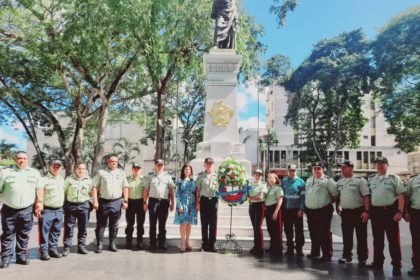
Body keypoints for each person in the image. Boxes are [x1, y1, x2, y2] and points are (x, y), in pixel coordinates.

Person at [0, 151, 43, 269]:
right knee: (8, 234)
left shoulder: (34, 173)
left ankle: (21, 256)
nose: (21, 160)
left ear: (27, 160)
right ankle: (6, 258)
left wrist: (39, 202)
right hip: (9, 209)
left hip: (27, 209)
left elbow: (39, 188)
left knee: (23, 234)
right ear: (15, 159)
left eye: (24, 158)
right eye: (19, 158)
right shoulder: (6, 172)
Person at [367, 157, 405, 276]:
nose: (379, 166)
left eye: (382, 163)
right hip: (375, 213)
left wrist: (400, 212)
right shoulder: (371, 179)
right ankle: (378, 262)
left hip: (390, 212)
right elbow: (367, 196)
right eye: (377, 164)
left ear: (387, 165)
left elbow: (401, 196)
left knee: (393, 240)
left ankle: (397, 265)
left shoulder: (394, 178)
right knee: (377, 240)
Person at [335, 160, 370, 267]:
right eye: (341, 167)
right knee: (346, 236)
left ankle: (362, 258)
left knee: (361, 236)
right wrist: (337, 206)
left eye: (344, 167)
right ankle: (346, 255)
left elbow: (366, 196)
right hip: (346, 213)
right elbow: (338, 196)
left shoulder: (360, 180)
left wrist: (366, 211)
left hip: (358, 211)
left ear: (351, 168)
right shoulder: (340, 181)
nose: (341, 169)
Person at [92, 155, 129, 253]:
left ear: (117, 163)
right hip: (103, 202)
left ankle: (112, 244)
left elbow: (125, 187)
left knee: (114, 225)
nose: (113, 163)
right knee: (101, 224)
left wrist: (125, 201)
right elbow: (95, 187)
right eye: (111, 161)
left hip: (116, 202)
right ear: (108, 163)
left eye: (115, 162)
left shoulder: (121, 173)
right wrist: (95, 201)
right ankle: (99, 244)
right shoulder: (101, 173)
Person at [305, 161, 338, 262]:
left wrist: (325, 202)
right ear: (312, 170)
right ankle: (315, 252)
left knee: (324, 233)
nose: (316, 170)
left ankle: (327, 253)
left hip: (323, 210)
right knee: (313, 232)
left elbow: (335, 195)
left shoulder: (328, 181)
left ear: (322, 169)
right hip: (310, 211)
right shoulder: (309, 180)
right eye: (315, 168)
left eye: (319, 168)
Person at [143, 159, 175, 251]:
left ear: (163, 166)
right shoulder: (150, 177)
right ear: (155, 166)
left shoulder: (168, 177)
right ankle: (152, 243)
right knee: (152, 224)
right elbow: (146, 190)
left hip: (164, 202)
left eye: (161, 165)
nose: (160, 167)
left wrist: (172, 203)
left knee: (162, 224)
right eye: (158, 165)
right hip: (153, 202)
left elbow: (171, 191)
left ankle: (162, 243)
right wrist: (145, 203)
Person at [62, 162, 93, 256]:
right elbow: (64, 192)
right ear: (75, 169)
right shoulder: (69, 179)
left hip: (84, 206)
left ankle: (81, 246)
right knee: (68, 227)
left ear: (85, 170)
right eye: (79, 168)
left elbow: (91, 193)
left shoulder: (89, 180)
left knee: (83, 228)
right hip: (71, 206)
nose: (81, 170)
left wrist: (91, 203)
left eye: (83, 169)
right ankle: (67, 247)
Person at [38, 160, 66, 261]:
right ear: (50, 167)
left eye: (58, 167)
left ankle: (53, 249)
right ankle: (44, 252)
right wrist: (38, 204)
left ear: (61, 168)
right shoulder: (43, 180)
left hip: (59, 210)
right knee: (44, 232)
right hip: (47, 210)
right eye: (54, 166)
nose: (56, 168)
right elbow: (39, 193)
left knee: (56, 231)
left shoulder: (62, 179)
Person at [282, 164, 305, 256]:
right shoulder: (283, 181)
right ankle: (290, 247)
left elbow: (303, 197)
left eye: (293, 170)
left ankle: (299, 248)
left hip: (297, 210)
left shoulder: (301, 182)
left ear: (296, 171)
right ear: (288, 171)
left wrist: (301, 209)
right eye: (290, 170)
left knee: (299, 230)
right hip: (286, 210)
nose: (292, 172)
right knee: (288, 230)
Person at [196, 157, 219, 252]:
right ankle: (204, 244)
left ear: (213, 165)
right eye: (208, 163)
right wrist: (197, 203)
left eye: (211, 164)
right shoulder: (201, 176)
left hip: (213, 201)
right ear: (205, 164)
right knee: (204, 224)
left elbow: (221, 188)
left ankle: (212, 244)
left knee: (213, 224)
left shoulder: (217, 176)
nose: (209, 165)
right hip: (204, 201)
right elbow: (198, 190)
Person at [174, 164, 197, 252]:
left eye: (189, 169)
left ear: (191, 171)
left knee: (189, 224)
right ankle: (182, 243)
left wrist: (196, 204)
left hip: (191, 204)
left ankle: (187, 242)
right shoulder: (179, 181)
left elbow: (195, 193)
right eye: (186, 169)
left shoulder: (193, 181)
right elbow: (177, 194)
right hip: (183, 203)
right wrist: (179, 205)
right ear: (183, 171)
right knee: (183, 223)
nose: (187, 171)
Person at [125, 163, 146, 250]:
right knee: (130, 224)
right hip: (130, 202)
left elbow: (146, 192)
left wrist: (145, 203)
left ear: (140, 170)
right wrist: (125, 201)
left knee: (140, 224)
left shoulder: (144, 180)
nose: (136, 170)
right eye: (135, 168)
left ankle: (139, 242)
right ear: (132, 169)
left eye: (138, 168)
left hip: (140, 202)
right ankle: (128, 242)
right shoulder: (127, 179)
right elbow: (125, 191)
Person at [248, 169, 267, 256]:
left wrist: (251, 198)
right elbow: (247, 195)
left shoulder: (263, 185)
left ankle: (260, 247)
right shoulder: (250, 184)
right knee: (254, 227)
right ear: (253, 175)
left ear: (261, 176)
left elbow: (260, 197)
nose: (257, 176)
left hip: (259, 207)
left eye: (259, 175)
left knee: (258, 227)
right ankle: (256, 246)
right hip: (252, 207)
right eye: (256, 174)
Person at [264, 172, 284, 256]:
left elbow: (280, 200)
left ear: (276, 179)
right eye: (269, 178)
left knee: (277, 230)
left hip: (275, 209)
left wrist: (276, 212)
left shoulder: (278, 188)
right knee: (270, 229)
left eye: (272, 178)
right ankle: (273, 246)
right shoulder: (267, 188)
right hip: (268, 209)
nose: (270, 179)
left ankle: (278, 248)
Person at [404, 174, 420, 276]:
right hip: (416, 214)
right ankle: (417, 267)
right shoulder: (414, 179)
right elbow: (406, 196)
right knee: (416, 241)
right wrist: (406, 212)